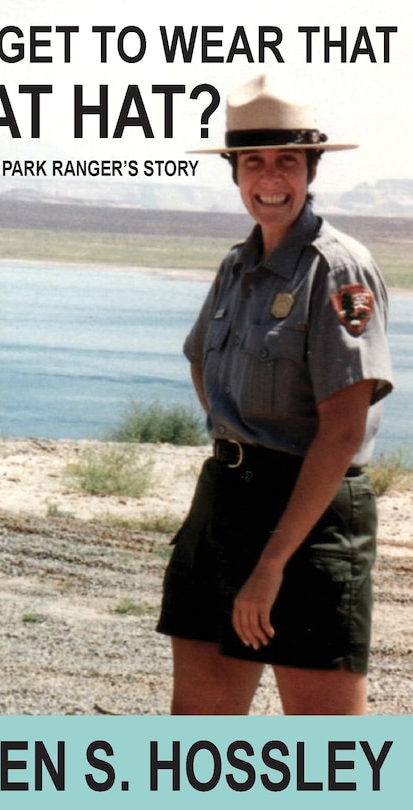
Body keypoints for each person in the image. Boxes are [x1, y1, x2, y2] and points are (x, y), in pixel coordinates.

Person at [156, 73, 393, 715]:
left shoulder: (337, 268)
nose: (270, 179)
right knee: (195, 744)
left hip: (310, 518)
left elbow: (342, 431)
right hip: (226, 502)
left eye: (287, 161)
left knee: (327, 761)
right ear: (235, 172)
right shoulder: (237, 264)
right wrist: (236, 434)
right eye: (253, 161)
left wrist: (272, 564)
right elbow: (201, 358)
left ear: (311, 167)